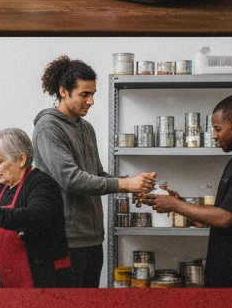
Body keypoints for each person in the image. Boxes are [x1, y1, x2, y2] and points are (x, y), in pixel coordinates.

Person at [32, 56, 156, 287]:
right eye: (84, 94)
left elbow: (97, 174)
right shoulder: (48, 127)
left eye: (93, 94)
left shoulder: (85, 128)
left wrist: (133, 184)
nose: (91, 101)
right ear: (63, 91)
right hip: (65, 239)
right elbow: (71, 179)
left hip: (91, 237)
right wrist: (124, 184)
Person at [142, 94, 232, 287]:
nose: (213, 135)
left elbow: (225, 218)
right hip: (227, 274)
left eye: (218, 129)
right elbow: (216, 216)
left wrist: (175, 204)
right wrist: (178, 201)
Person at [0, 128, 73, 288]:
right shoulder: (0, 188)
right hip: (10, 281)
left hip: (45, 281)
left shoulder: (41, 184)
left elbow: (38, 215)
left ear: (21, 160)